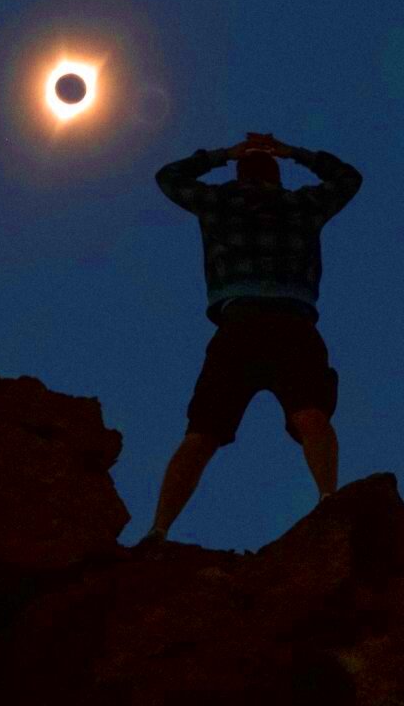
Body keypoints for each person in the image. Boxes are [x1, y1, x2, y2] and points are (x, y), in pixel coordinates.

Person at [138, 133, 363, 548]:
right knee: (311, 415)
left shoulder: (220, 202)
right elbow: (348, 178)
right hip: (293, 324)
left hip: (238, 325)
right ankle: (328, 497)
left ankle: (159, 529)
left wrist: (223, 153)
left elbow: (169, 177)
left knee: (202, 432)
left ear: (240, 173)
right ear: (277, 176)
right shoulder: (302, 205)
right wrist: (296, 151)